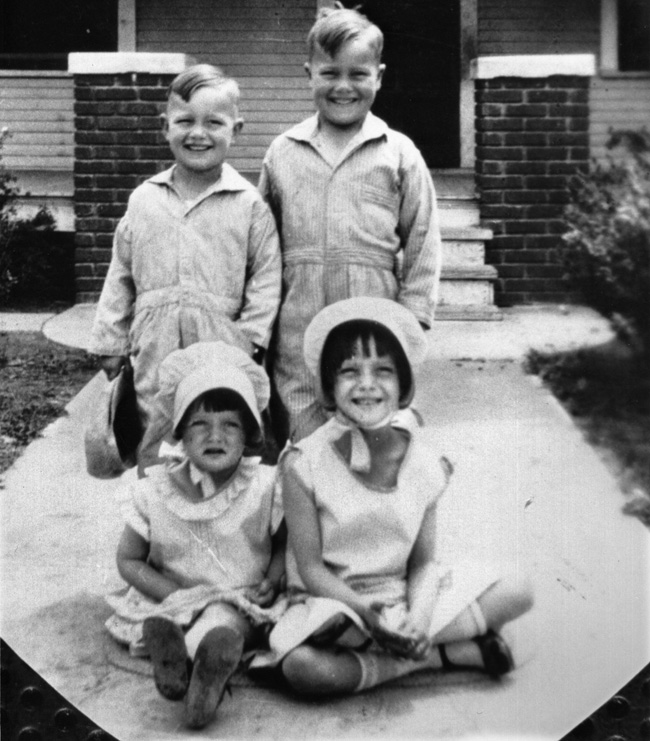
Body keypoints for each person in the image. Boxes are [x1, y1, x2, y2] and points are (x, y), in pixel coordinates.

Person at [250, 297, 533, 695]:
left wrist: (420, 618)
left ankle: (415, 653)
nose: (366, 384)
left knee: (518, 590)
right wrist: (367, 614)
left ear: (403, 385)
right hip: (335, 605)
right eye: (350, 371)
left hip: (400, 596)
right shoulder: (303, 463)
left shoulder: (425, 462)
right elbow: (311, 570)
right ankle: (447, 654)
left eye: (383, 371)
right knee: (303, 668)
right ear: (329, 386)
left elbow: (423, 564)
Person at [259, 4, 442, 444]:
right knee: (304, 443)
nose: (343, 86)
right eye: (329, 73)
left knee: (368, 440)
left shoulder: (397, 153)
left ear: (379, 76)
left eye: (358, 74)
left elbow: (423, 238)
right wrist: (259, 324)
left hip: (372, 324)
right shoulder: (283, 152)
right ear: (309, 74)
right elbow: (260, 247)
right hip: (297, 329)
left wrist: (413, 317)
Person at [89, 63, 281, 467]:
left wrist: (249, 339)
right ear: (165, 127)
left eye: (214, 122)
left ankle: (224, 504)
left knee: (218, 432)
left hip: (221, 347)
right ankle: (158, 504)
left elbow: (266, 278)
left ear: (236, 130)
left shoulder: (248, 205)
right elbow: (120, 273)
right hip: (155, 346)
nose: (198, 133)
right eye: (185, 121)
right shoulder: (144, 200)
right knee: (156, 435)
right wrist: (111, 339)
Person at [104, 341, 286, 728]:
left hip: (238, 598)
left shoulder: (265, 486)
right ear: (180, 434)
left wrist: (273, 579)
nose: (214, 436)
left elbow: (285, 542)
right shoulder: (155, 490)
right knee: (178, 619)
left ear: (250, 433)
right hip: (172, 597)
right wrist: (172, 594)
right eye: (200, 424)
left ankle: (196, 671)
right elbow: (129, 559)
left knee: (223, 621)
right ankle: (185, 661)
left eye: (230, 424)